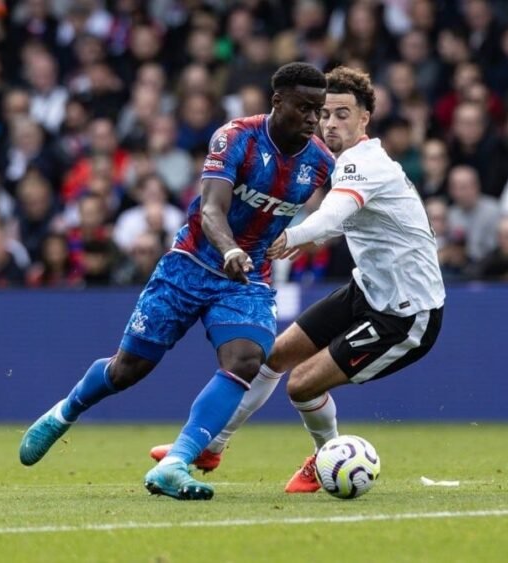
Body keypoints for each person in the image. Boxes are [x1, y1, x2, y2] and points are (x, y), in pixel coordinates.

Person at [18, 62, 334, 501]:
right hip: (189, 264)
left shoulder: (320, 162)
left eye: (319, 110)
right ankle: (64, 412)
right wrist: (229, 249)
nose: (313, 119)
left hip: (247, 277)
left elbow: (346, 208)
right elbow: (211, 209)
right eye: (304, 108)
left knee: (246, 359)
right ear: (277, 101)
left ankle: (175, 462)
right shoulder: (236, 137)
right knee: (128, 369)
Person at [150, 66, 444, 494]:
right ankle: (212, 445)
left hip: (406, 313)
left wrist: (291, 236)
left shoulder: (366, 163)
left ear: (365, 118)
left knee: (302, 385)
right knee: (272, 356)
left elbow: (332, 217)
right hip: (368, 291)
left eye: (343, 114)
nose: (330, 123)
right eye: (325, 114)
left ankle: (327, 461)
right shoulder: (341, 162)